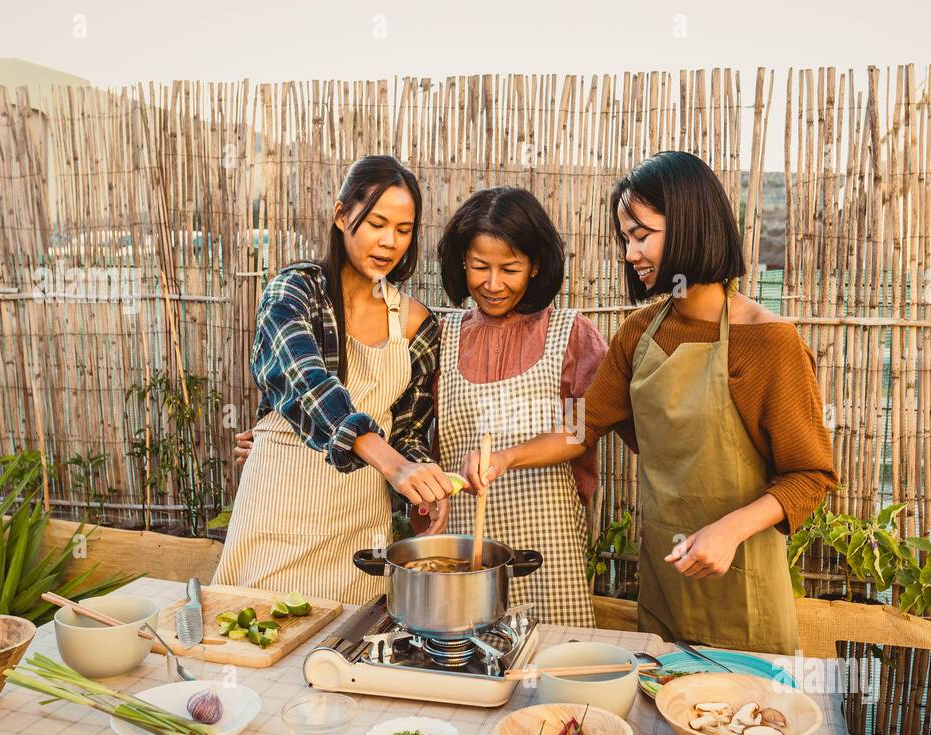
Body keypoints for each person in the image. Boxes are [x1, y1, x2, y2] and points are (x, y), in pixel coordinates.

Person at [461, 151, 839, 653]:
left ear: (688, 224)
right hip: (664, 579)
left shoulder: (770, 342)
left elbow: (810, 476)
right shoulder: (639, 334)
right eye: (625, 239)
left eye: (642, 235)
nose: (630, 253)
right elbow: (582, 426)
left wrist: (728, 531)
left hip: (742, 585)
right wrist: (506, 457)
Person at [214, 155, 451, 604]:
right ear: (342, 216)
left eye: (403, 230)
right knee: (251, 637)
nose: (389, 242)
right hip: (277, 514)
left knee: (345, 657)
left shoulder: (419, 324)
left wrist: (421, 483)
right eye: (376, 223)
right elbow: (305, 381)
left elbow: (409, 432)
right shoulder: (295, 292)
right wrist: (394, 465)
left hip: (357, 526)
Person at [435, 187, 607, 627]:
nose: (493, 285)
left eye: (509, 268)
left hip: (547, 549)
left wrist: (507, 458)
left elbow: (581, 429)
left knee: (553, 674)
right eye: (479, 267)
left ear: (535, 265)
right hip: (462, 548)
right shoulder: (441, 336)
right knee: (467, 662)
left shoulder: (571, 334)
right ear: (461, 263)